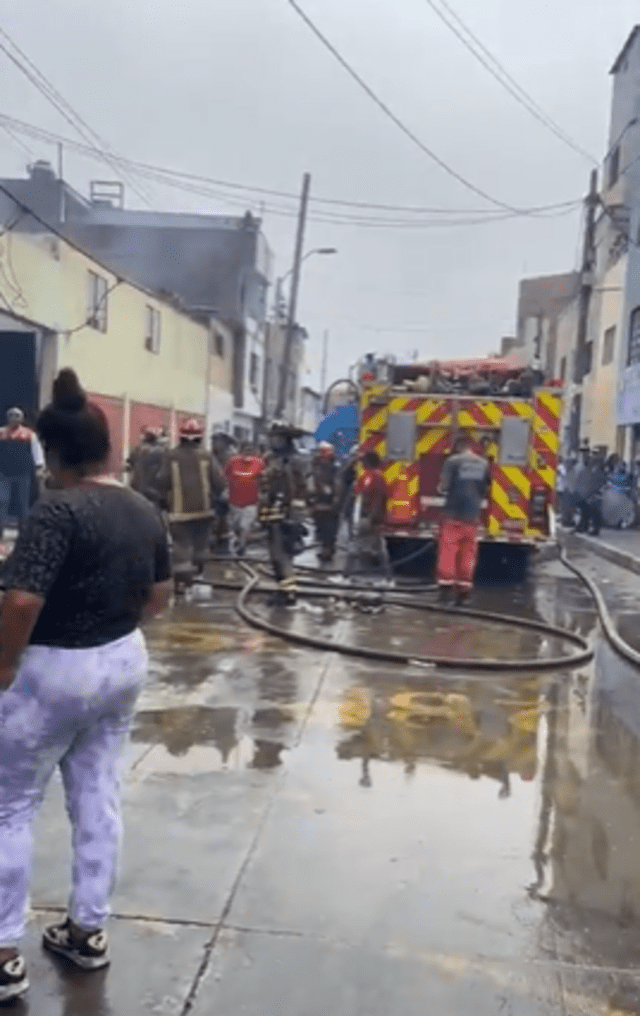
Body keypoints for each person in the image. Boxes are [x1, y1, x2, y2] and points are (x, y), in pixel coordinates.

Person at [0, 369, 172, 1001]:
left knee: (10, 804)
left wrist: (2, 664)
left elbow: (20, 602)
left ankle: (0, 955)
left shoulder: (57, 511)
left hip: (53, 669)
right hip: (123, 660)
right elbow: (160, 596)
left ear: (55, 451)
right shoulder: (141, 507)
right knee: (98, 791)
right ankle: (87, 932)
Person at [157, 418, 226, 585]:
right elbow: (219, 482)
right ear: (200, 437)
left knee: (181, 547)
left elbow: (162, 481)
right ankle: (198, 574)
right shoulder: (207, 456)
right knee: (201, 547)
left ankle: (182, 584)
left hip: (179, 515)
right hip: (205, 513)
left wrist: (163, 502)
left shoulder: (171, 456)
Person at [436, 433, 490, 605]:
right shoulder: (483, 463)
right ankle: (464, 592)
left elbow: (443, 487)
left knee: (448, 551)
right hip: (472, 517)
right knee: (468, 554)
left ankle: (445, 590)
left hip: (452, 515)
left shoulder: (452, 462)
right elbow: (485, 488)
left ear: (457, 446)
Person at [258, 421, 307, 604]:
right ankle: (283, 590)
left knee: (282, 556)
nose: (272, 441)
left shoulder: (292, 461)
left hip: (285, 515)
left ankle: (288, 594)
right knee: (276, 556)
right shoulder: (274, 458)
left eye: (276, 438)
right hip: (273, 513)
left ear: (285, 440)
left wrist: (294, 517)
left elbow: (296, 490)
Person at [0, 407, 45, 539]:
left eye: (17, 416)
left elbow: (37, 452)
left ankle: (24, 533)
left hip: (22, 474)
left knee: (22, 503)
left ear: (21, 419)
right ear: (8, 418)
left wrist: (39, 467)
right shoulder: (2, 433)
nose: (14, 418)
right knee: (2, 502)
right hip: (3, 474)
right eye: (12, 416)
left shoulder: (29, 435)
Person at [345, 450, 390, 577]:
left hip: (367, 516)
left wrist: (371, 516)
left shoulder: (370, 476)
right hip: (373, 517)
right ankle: (388, 578)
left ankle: (345, 576)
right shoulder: (379, 475)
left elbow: (364, 494)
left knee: (354, 545)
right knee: (380, 549)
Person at [224, 442, 264, 555]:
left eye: (250, 450)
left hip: (251, 501)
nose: (248, 453)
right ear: (240, 451)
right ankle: (239, 539)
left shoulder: (258, 462)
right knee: (236, 526)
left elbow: (262, 478)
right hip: (234, 500)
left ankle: (242, 545)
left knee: (245, 525)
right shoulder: (232, 461)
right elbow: (225, 477)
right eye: (245, 450)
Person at [307, 442, 341, 563]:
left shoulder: (334, 469)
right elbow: (310, 483)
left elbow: (337, 487)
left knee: (329, 530)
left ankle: (328, 549)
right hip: (320, 504)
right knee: (321, 528)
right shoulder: (316, 467)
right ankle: (325, 548)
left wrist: (335, 502)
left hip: (329, 505)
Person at [126, 426, 167, 508]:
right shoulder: (161, 451)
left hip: (137, 492)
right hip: (153, 494)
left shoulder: (138, 450)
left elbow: (128, 465)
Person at [574, 449, 604, 536]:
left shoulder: (598, 471)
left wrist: (592, 493)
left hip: (594, 495)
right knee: (586, 511)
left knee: (595, 512)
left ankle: (595, 528)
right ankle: (584, 525)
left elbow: (598, 483)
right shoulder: (589, 470)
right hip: (587, 494)